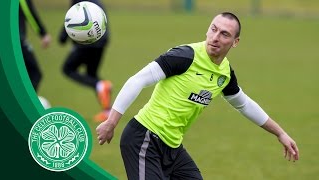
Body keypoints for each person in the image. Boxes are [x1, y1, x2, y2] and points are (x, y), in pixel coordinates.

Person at [96, 12, 299, 179]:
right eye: (213, 29)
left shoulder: (225, 74)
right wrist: (112, 122)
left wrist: (280, 133)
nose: (216, 37)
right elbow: (137, 80)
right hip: (144, 139)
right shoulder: (184, 56)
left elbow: (244, 104)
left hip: (173, 148)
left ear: (235, 42)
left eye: (224, 34)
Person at [58, 0, 112, 122]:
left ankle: (99, 85)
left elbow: (73, 18)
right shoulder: (97, 2)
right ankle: (107, 111)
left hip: (85, 42)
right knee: (91, 74)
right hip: (102, 41)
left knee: (67, 69)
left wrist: (62, 37)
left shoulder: (78, 2)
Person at [19, 0, 51, 92]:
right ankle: (23, 103)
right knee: (35, 74)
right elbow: (27, 11)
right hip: (16, 40)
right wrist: (42, 33)